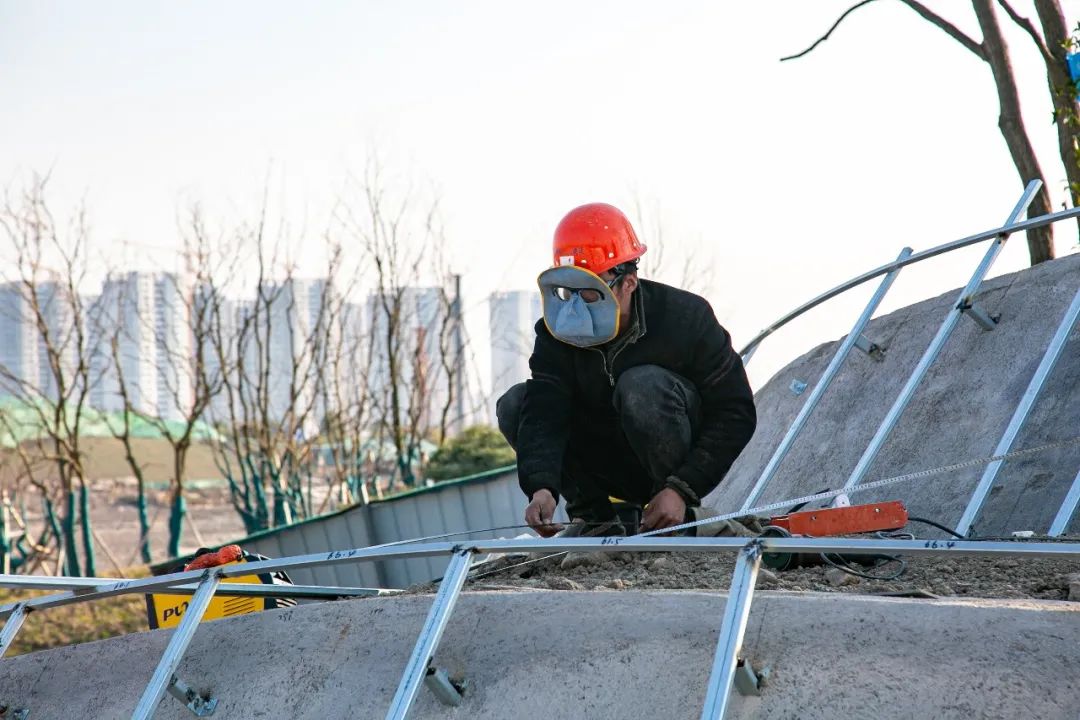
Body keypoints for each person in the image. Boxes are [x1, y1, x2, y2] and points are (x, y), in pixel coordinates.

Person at [496, 202, 757, 539]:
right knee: (516, 403)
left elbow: (735, 411)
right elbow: (545, 412)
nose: (575, 308)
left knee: (641, 385)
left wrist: (682, 488)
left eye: (590, 293)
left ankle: (675, 519)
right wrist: (541, 487)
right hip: (605, 459)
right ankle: (594, 521)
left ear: (628, 283)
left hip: (674, 462)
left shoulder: (685, 318)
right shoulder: (555, 334)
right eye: (567, 291)